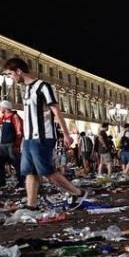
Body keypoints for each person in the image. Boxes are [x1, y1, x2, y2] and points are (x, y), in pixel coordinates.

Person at [3, 57, 88, 210]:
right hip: (29, 139)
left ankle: (78, 192)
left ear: (18, 71)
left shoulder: (43, 86)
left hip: (42, 136)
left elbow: (56, 110)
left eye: (10, 74)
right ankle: (31, 205)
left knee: (46, 171)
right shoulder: (27, 90)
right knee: (30, 172)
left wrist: (67, 134)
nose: (10, 77)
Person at [0, 100, 24, 189]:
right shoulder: (3, 117)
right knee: (0, 164)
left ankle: (21, 183)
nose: (0, 108)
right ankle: (2, 183)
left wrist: (17, 145)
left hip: (11, 145)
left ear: (5, 108)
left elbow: (19, 132)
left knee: (16, 164)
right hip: (3, 145)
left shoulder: (14, 117)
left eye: (1, 107)